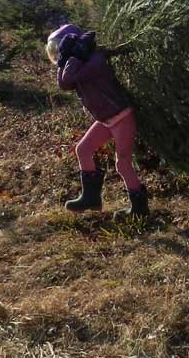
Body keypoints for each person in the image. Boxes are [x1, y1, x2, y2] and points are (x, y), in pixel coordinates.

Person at [46, 24, 148, 220]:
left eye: (61, 51)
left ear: (76, 43)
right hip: (106, 119)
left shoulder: (95, 59)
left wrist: (74, 56)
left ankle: (139, 208)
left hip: (121, 116)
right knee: (83, 149)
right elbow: (64, 83)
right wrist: (66, 60)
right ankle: (91, 197)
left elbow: (72, 77)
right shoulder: (80, 60)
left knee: (123, 164)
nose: (61, 56)